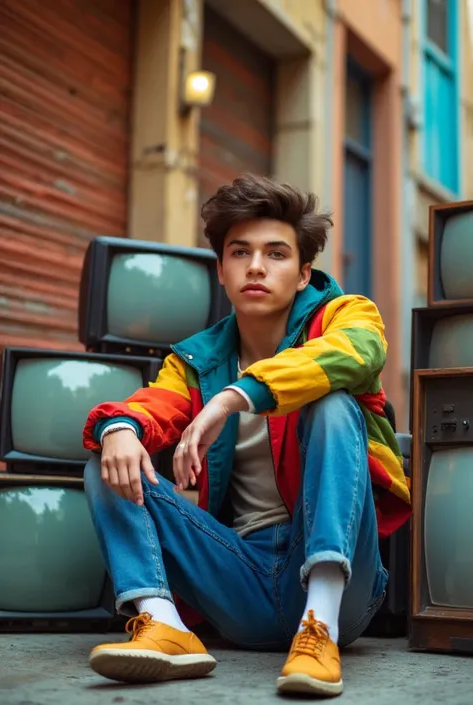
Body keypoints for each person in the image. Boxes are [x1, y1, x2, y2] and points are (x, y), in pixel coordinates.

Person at [82, 174, 411, 698]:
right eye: (240, 252)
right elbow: (154, 407)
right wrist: (121, 426)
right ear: (222, 269)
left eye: (276, 254)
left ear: (305, 273)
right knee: (110, 454)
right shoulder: (196, 360)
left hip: (344, 583)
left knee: (330, 403)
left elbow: (357, 354)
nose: (256, 267)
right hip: (243, 578)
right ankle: (166, 625)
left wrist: (236, 397)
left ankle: (317, 627)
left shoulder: (347, 316)